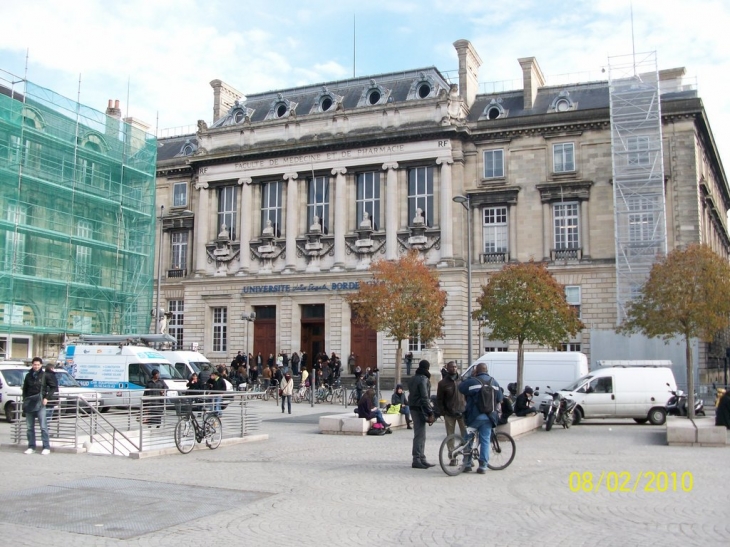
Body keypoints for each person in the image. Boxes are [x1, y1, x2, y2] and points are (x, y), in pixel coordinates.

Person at [458, 363, 503, 474]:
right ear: (487, 370)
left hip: (475, 416)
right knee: (485, 440)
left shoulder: (473, 381)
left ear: (476, 371)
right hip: (489, 417)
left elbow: (461, 387)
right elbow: (500, 398)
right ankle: (483, 466)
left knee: (468, 438)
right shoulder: (494, 382)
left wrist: (471, 377)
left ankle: (467, 464)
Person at [22, 357, 58, 455]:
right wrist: (25, 399)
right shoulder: (28, 376)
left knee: (43, 426)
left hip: (41, 403)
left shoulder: (45, 375)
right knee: (29, 427)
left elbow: (53, 387)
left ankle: (46, 447)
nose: (36, 366)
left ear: (41, 365)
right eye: (34, 364)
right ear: (32, 365)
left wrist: (46, 397)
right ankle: (31, 446)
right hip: (29, 402)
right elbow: (24, 389)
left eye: (38, 365)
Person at [407, 359, 436, 469]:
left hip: (413, 407)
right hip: (420, 408)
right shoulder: (423, 379)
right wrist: (430, 411)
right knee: (420, 434)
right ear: (427, 368)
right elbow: (424, 397)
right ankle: (417, 458)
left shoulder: (412, 379)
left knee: (421, 434)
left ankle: (421, 457)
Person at [437, 361, 467, 465]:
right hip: (449, 413)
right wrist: (443, 412)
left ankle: (467, 458)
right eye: (451, 367)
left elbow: (467, 395)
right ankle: (452, 457)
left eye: (455, 367)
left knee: (466, 436)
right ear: (447, 368)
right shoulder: (442, 383)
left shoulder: (462, 380)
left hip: (462, 412)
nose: (454, 369)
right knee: (450, 437)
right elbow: (439, 399)